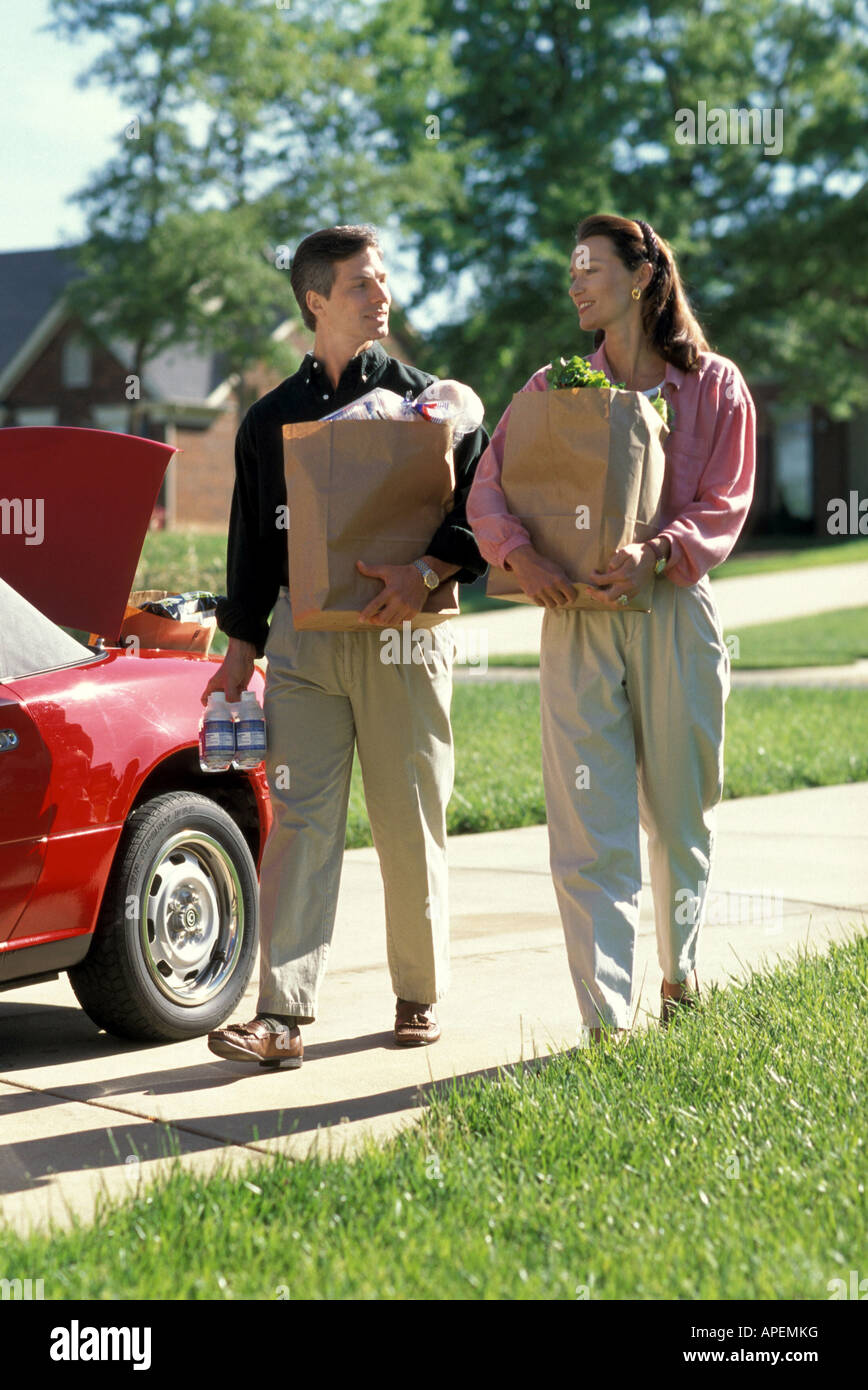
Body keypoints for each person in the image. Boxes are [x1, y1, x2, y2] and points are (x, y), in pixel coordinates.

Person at [467, 214, 756, 1044]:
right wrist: (524, 560)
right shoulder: (554, 388)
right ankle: (607, 1024)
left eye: (589, 267)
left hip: (672, 612)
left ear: (640, 278)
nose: (575, 283)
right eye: (570, 269)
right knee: (586, 823)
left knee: (680, 810)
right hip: (578, 621)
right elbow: (488, 486)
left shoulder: (714, 386)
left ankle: (679, 973)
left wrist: (658, 553)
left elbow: (725, 501)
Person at [205, 224, 488, 1068]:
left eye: (385, 279)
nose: (383, 294)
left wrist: (432, 566)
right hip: (302, 642)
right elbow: (251, 544)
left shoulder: (427, 401)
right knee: (297, 821)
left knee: (409, 818)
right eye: (363, 283)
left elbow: (480, 506)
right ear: (316, 301)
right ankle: (282, 1017)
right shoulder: (267, 421)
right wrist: (239, 648)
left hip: (404, 635)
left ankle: (418, 995)